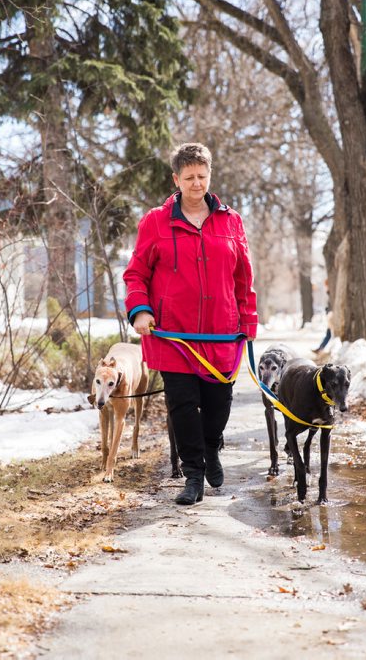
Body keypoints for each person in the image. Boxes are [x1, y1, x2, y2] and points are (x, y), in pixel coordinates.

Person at [123, 142, 258, 505]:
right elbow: (136, 274)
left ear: (209, 176)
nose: (196, 183)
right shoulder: (155, 221)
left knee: (219, 403)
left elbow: (244, 278)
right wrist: (141, 311)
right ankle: (193, 474)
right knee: (182, 404)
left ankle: (212, 447)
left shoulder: (231, 221)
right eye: (189, 177)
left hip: (221, 332)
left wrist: (249, 322)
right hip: (173, 334)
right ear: (176, 179)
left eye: (202, 176)